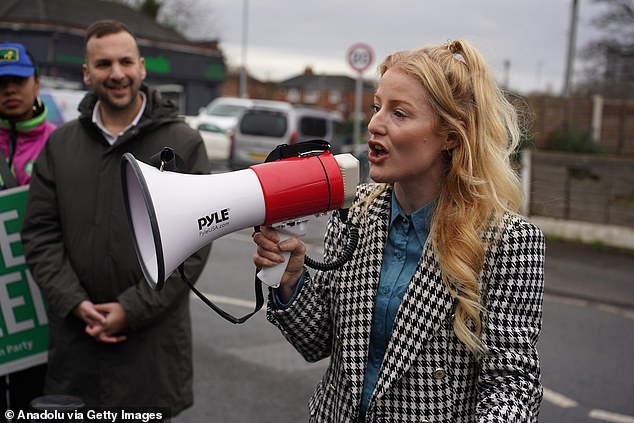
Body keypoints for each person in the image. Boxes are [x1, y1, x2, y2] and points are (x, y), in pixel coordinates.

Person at [252, 39, 545, 422]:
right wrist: (292, 282)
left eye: (399, 114)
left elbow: (513, 383)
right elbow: (318, 342)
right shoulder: (355, 212)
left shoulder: (508, 242)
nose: (375, 124)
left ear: (450, 135)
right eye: (377, 107)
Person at [20, 20, 210, 416]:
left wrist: (131, 309)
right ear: (88, 73)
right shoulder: (60, 145)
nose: (117, 74)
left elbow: (193, 246)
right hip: (77, 347)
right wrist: (73, 302)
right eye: (104, 64)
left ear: (142, 67)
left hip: (151, 354)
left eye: (126, 62)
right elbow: (40, 234)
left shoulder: (184, 144)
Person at [0, 42, 55, 411]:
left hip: (41, 306)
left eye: (18, 80)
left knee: (32, 403)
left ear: (36, 83)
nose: (9, 90)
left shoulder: (61, 142)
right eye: (1, 83)